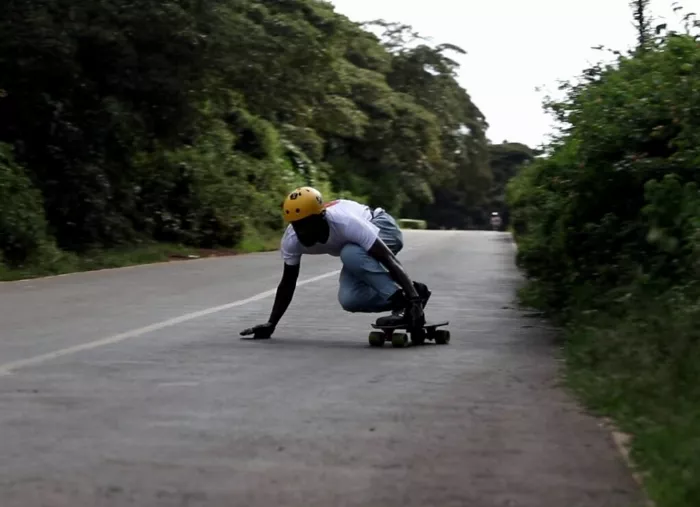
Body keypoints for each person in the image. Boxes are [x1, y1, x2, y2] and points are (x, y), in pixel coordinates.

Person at [240, 186, 431, 340]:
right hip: (356, 247)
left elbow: (388, 259)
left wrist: (412, 300)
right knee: (350, 299)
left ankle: (405, 300)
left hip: (382, 226)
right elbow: (288, 282)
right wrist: (271, 324)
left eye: (307, 225)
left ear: (322, 217)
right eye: (297, 226)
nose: (302, 233)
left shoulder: (346, 223)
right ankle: (415, 292)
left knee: (350, 253)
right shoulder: (291, 239)